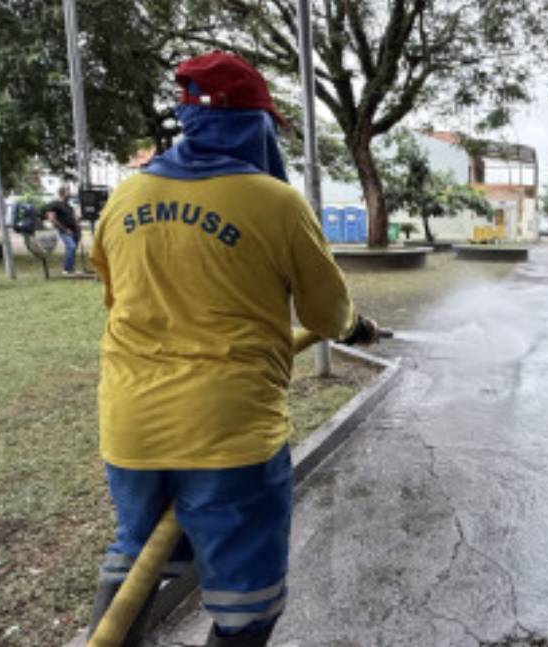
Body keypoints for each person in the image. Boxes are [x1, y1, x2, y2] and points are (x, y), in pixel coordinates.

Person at [87, 51, 379, 647]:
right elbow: (326, 316)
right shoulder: (276, 203)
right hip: (228, 431)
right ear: (254, 125)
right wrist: (355, 329)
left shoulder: (124, 198)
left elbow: (115, 297)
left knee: (138, 558)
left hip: (131, 424)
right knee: (247, 599)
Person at [44, 186, 81, 275]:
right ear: (62, 193)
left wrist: (78, 220)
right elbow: (52, 219)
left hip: (74, 231)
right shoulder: (54, 204)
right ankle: (66, 269)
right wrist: (65, 230)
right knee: (71, 246)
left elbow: (74, 218)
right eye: (68, 191)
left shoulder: (69, 206)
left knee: (73, 249)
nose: (70, 193)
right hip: (65, 231)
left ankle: (71, 269)